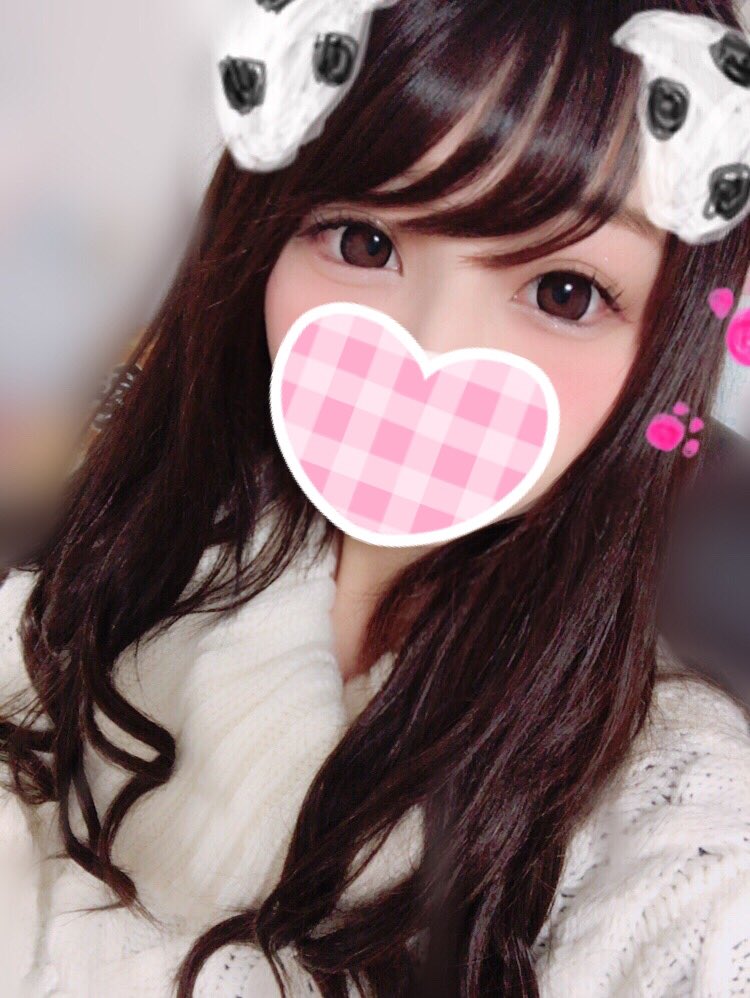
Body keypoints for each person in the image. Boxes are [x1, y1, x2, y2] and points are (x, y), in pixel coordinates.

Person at [2, 1, 750, 995]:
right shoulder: (113, 547)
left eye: (563, 292)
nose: (430, 347)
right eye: (362, 242)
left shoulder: (671, 806)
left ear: (664, 351)